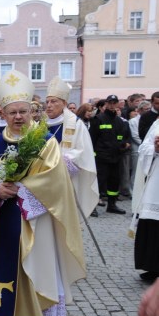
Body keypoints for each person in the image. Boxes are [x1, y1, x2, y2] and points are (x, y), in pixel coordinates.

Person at [0, 70, 86, 316]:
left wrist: (23, 189)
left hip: (35, 219)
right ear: (2, 113)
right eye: (12, 112)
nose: (19, 117)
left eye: (24, 111)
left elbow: (55, 178)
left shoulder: (45, 142)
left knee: (36, 266)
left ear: (33, 110)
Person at [45, 76, 99, 218]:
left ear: (64, 103)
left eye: (53, 101)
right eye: (47, 101)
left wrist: (60, 161)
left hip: (66, 178)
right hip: (43, 180)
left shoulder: (76, 124)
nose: (49, 105)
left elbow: (83, 151)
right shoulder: (40, 125)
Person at [89, 94, 131, 214]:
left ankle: (112, 205)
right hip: (101, 157)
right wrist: (93, 155)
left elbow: (123, 137)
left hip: (116, 157)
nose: (112, 105)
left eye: (114, 103)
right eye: (110, 103)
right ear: (106, 104)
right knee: (98, 183)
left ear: (117, 104)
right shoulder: (98, 119)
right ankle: (92, 207)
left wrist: (124, 144)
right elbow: (91, 139)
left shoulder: (120, 121)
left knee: (114, 182)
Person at [131, 118, 159, 282]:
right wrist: (155, 149)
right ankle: (153, 267)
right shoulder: (157, 123)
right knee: (152, 222)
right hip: (156, 182)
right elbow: (144, 147)